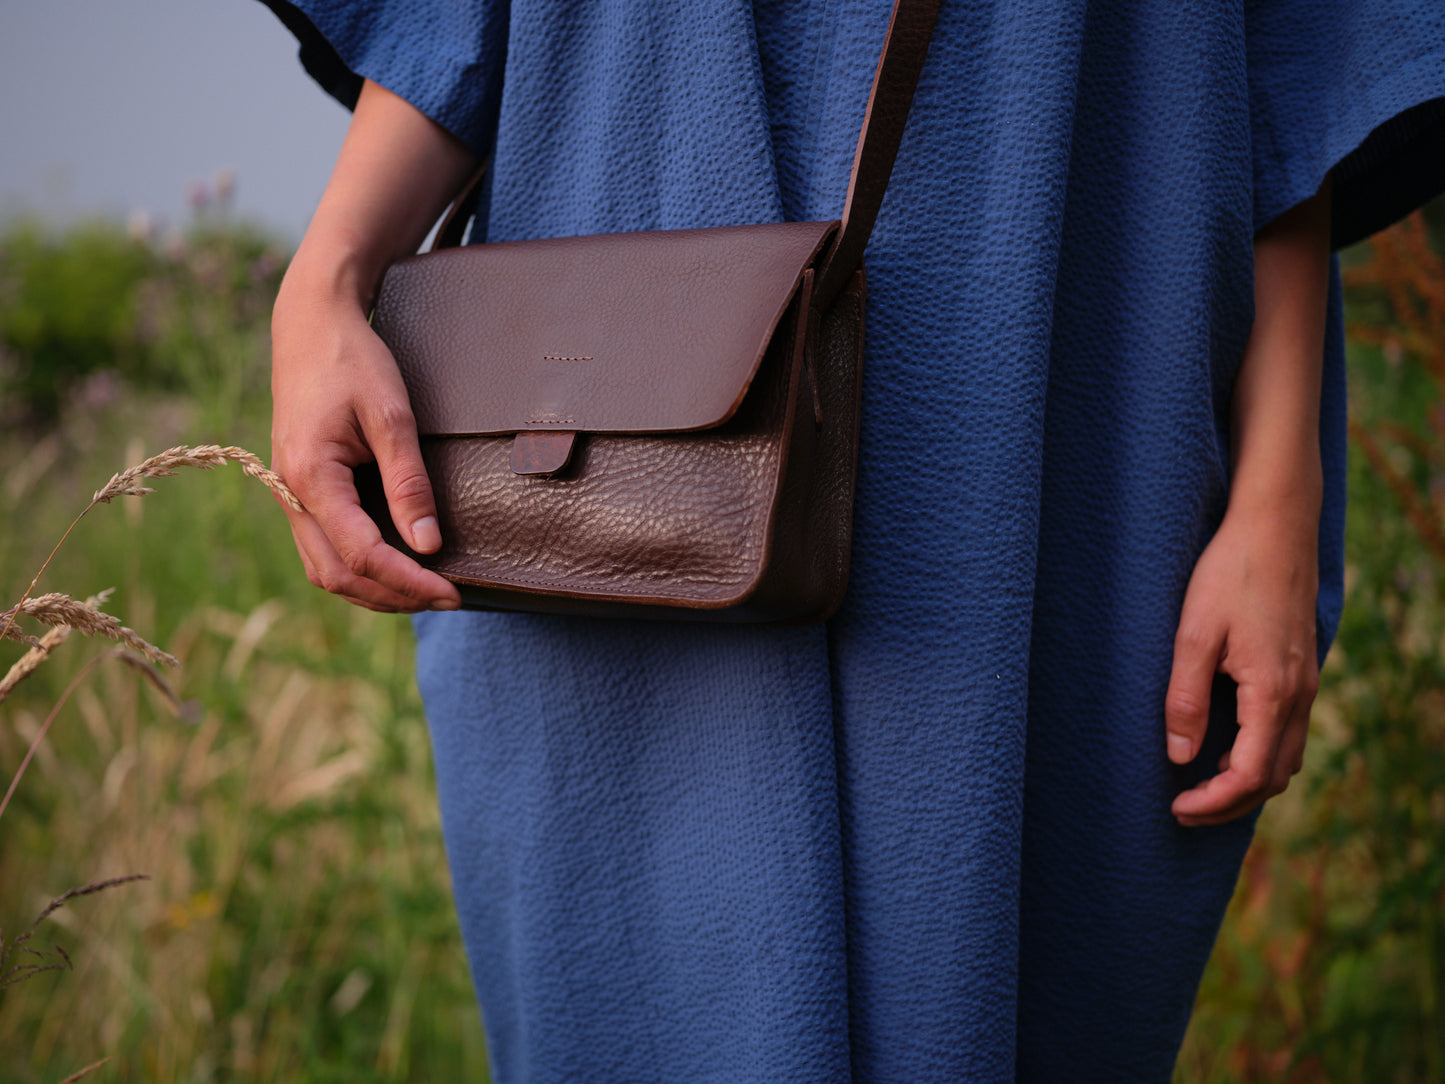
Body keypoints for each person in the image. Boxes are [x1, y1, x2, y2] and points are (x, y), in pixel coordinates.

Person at [256, 0, 1445, 1079]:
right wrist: (328, 275)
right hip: (601, 379)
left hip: (1068, 332)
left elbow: (1296, 56)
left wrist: (1277, 486)